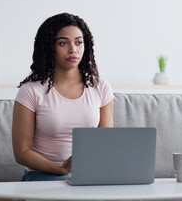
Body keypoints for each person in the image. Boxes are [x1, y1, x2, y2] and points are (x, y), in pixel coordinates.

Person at [12, 13, 114, 181]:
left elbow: (106, 143)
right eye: (63, 43)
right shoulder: (31, 91)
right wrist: (60, 170)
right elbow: (22, 153)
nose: (73, 49)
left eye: (79, 42)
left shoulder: (101, 88)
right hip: (43, 175)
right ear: (49, 47)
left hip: (88, 175)